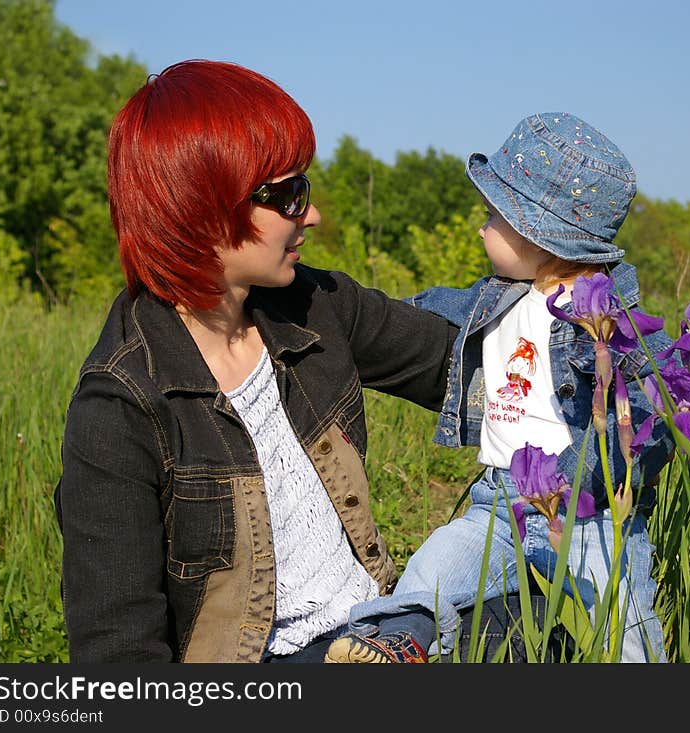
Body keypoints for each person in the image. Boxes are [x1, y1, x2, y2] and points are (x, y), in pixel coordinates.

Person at [53, 59, 465, 663]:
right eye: (290, 193)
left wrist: (597, 349)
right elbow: (121, 662)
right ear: (202, 206)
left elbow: (461, 364)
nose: (313, 214)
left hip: (378, 626)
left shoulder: (314, 305)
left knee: (540, 593)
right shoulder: (120, 407)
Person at [325, 112, 677, 664]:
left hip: (591, 516)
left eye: (492, 215)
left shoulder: (611, 319)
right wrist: (342, 319)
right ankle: (393, 644)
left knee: (625, 634)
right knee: (433, 569)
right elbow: (414, 312)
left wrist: (633, 461)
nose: (480, 226)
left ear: (536, 230)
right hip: (499, 505)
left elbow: (660, 409)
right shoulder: (495, 298)